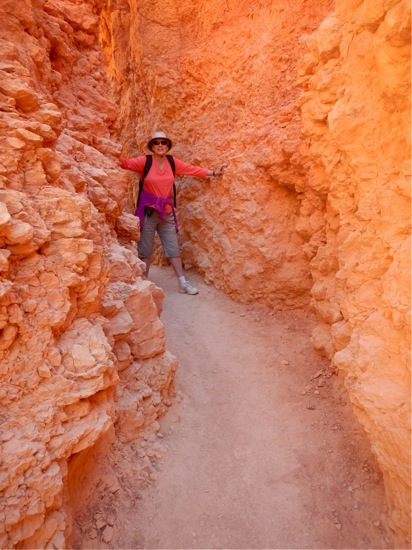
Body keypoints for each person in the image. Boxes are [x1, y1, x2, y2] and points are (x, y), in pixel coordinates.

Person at [120, 131, 227, 295]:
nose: (160, 145)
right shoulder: (145, 161)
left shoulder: (172, 162)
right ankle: (144, 285)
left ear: (167, 145)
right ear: (152, 146)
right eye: (157, 143)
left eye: (163, 142)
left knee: (173, 247)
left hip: (167, 213)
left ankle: (182, 282)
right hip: (148, 212)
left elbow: (191, 169)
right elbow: (125, 163)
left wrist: (213, 172)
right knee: (145, 250)